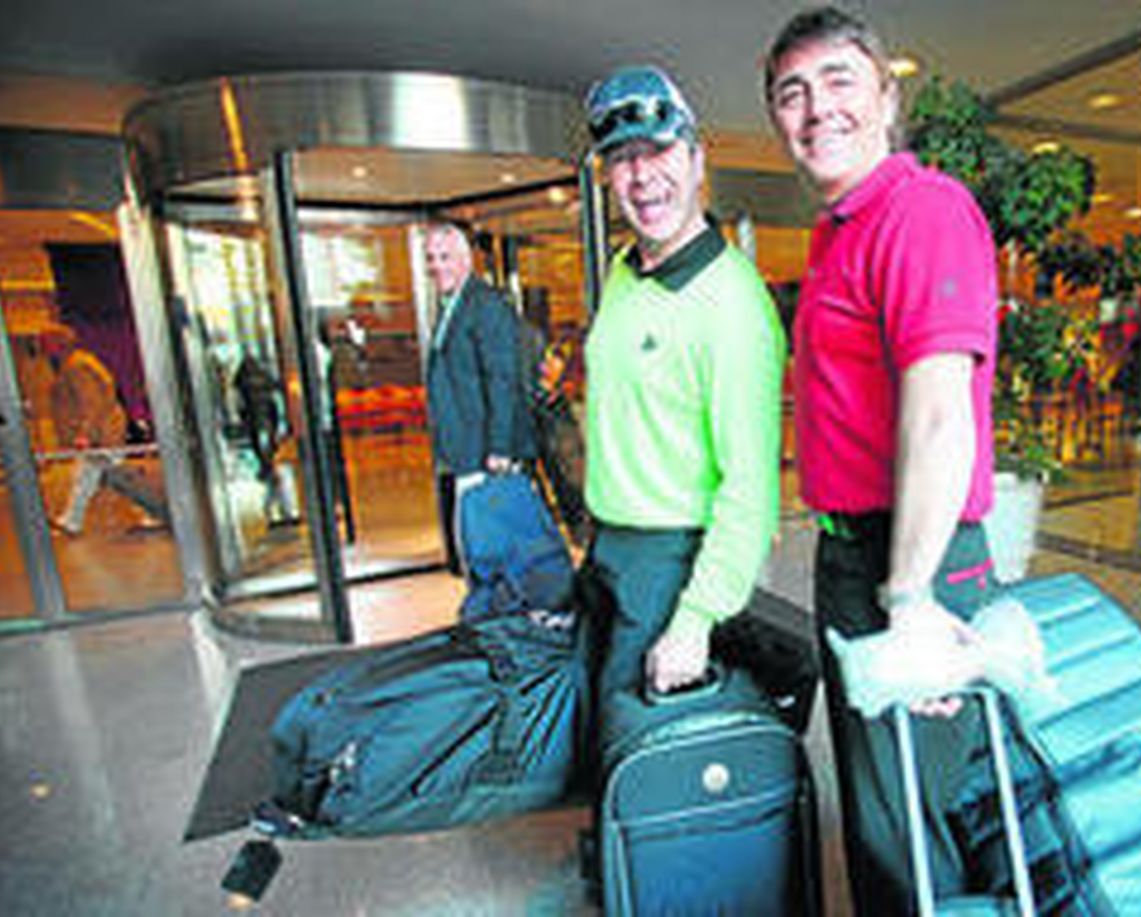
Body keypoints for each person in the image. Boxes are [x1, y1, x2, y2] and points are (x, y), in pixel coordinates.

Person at [764, 7, 1072, 912]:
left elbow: (941, 417)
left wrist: (910, 599)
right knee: (884, 809)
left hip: (913, 556)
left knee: (918, 820)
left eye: (838, 81)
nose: (816, 109)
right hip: (855, 552)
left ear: (888, 96)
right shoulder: (837, 231)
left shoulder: (923, 210)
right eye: (792, 93)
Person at [580, 65, 786, 703]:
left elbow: (750, 488)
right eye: (622, 159)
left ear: (698, 161)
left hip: (671, 568)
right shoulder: (623, 271)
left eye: (660, 150)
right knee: (596, 752)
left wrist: (695, 620)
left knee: (636, 770)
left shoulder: (733, 304)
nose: (642, 176)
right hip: (610, 552)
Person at [422, 222, 534, 574]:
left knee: (487, 548)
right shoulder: (451, 304)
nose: (436, 266)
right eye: (430, 258)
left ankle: (497, 620)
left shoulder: (484, 304)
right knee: (477, 548)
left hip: (484, 453)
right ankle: (488, 615)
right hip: (463, 452)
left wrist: (500, 448)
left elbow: (502, 380)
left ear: (466, 260)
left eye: (445, 257)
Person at [43, 324, 129, 536]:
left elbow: (90, 402)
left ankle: (71, 521)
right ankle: (71, 520)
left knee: (94, 478)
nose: (41, 346)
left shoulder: (76, 367)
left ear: (58, 343)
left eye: (45, 341)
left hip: (101, 434)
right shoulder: (77, 362)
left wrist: (85, 434)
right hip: (102, 432)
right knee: (93, 478)